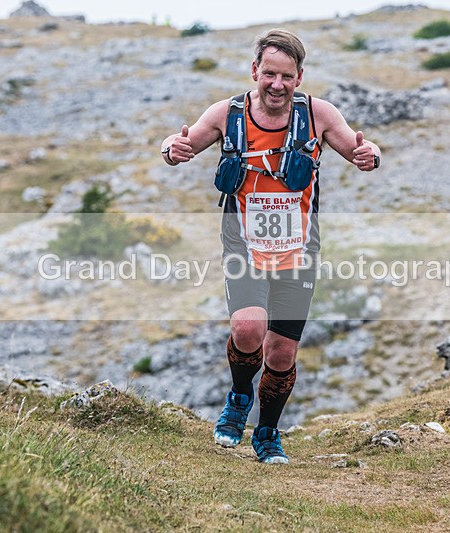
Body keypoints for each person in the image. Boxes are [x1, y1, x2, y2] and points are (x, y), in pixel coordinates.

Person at [160, 29, 380, 464]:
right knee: (248, 328)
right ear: (255, 71)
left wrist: (369, 152)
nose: (276, 85)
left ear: (299, 77)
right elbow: (180, 143)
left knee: (281, 353)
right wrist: (172, 149)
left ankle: (266, 434)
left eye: (287, 76)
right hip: (243, 241)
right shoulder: (228, 113)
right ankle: (239, 397)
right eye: (269, 74)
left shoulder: (318, 114)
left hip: (299, 246)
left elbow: (357, 146)